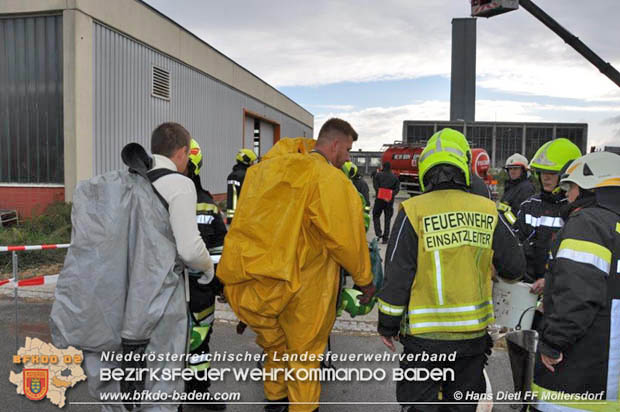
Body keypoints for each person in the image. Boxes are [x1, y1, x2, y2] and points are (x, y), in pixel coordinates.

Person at [50, 122, 213, 412]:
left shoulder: (125, 184)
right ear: (183, 153)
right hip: (159, 306)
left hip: (116, 302)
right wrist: (208, 270)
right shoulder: (180, 185)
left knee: (116, 391)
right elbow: (189, 249)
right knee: (159, 387)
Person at [217, 118, 375, 412]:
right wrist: (365, 280)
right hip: (304, 287)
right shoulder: (326, 178)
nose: (348, 158)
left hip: (254, 283)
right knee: (303, 358)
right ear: (336, 145)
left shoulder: (265, 170)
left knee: (275, 348)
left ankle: (275, 403)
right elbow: (346, 239)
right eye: (349, 151)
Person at [377, 128, 525, 412]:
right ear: (464, 165)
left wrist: (387, 324)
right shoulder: (487, 209)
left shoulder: (413, 210)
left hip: (424, 342)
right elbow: (515, 268)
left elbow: (397, 275)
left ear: (426, 168)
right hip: (471, 342)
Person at [531, 151, 620, 412]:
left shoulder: (587, 223)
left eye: (570, 187)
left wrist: (553, 343)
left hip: (576, 383)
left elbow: (578, 295)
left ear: (588, 188)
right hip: (610, 381)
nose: (567, 195)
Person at [185, 139, 227, 410]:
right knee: (198, 343)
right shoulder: (208, 205)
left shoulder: (153, 198)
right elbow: (220, 252)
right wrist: (220, 285)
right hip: (200, 292)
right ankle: (197, 392)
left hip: (165, 291)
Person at [514, 138, 582, 289]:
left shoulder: (578, 211)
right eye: (543, 172)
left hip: (561, 290)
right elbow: (516, 245)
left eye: (552, 172)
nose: (546, 177)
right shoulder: (529, 206)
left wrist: (550, 282)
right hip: (529, 288)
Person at [226, 148, 258, 224]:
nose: (253, 164)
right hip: (245, 216)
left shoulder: (231, 175)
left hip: (234, 217)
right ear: (247, 161)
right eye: (252, 162)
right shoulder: (247, 175)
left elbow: (232, 197)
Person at [372, 161, 400, 243]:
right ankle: (385, 238)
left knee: (376, 215)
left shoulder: (378, 175)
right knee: (387, 219)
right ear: (390, 167)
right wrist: (390, 195)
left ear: (383, 167)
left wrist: (380, 192)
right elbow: (397, 189)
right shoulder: (394, 177)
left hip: (379, 199)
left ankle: (378, 233)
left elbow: (375, 185)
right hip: (389, 201)